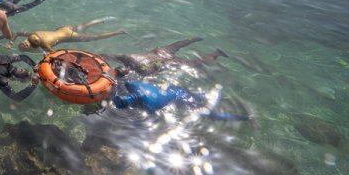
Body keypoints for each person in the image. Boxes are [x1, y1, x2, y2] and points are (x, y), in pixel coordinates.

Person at [110, 77, 249, 121]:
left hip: (181, 100)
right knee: (198, 96)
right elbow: (126, 83)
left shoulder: (149, 105)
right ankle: (221, 96)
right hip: (176, 90)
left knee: (211, 115)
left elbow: (153, 113)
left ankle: (246, 117)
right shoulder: (134, 85)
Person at [106, 37, 226, 76]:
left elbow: (156, 71)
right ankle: (196, 38)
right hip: (159, 52)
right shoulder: (127, 57)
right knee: (178, 44)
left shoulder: (142, 72)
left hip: (168, 61)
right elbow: (109, 56)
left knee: (195, 63)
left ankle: (216, 53)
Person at [16, 18, 126, 52]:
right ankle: (100, 21)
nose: (25, 43)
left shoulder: (44, 46)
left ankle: (118, 32)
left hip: (69, 36)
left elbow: (54, 54)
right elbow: (18, 32)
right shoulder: (33, 34)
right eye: (24, 44)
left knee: (94, 37)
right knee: (84, 26)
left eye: (24, 45)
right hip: (63, 28)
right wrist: (11, 40)